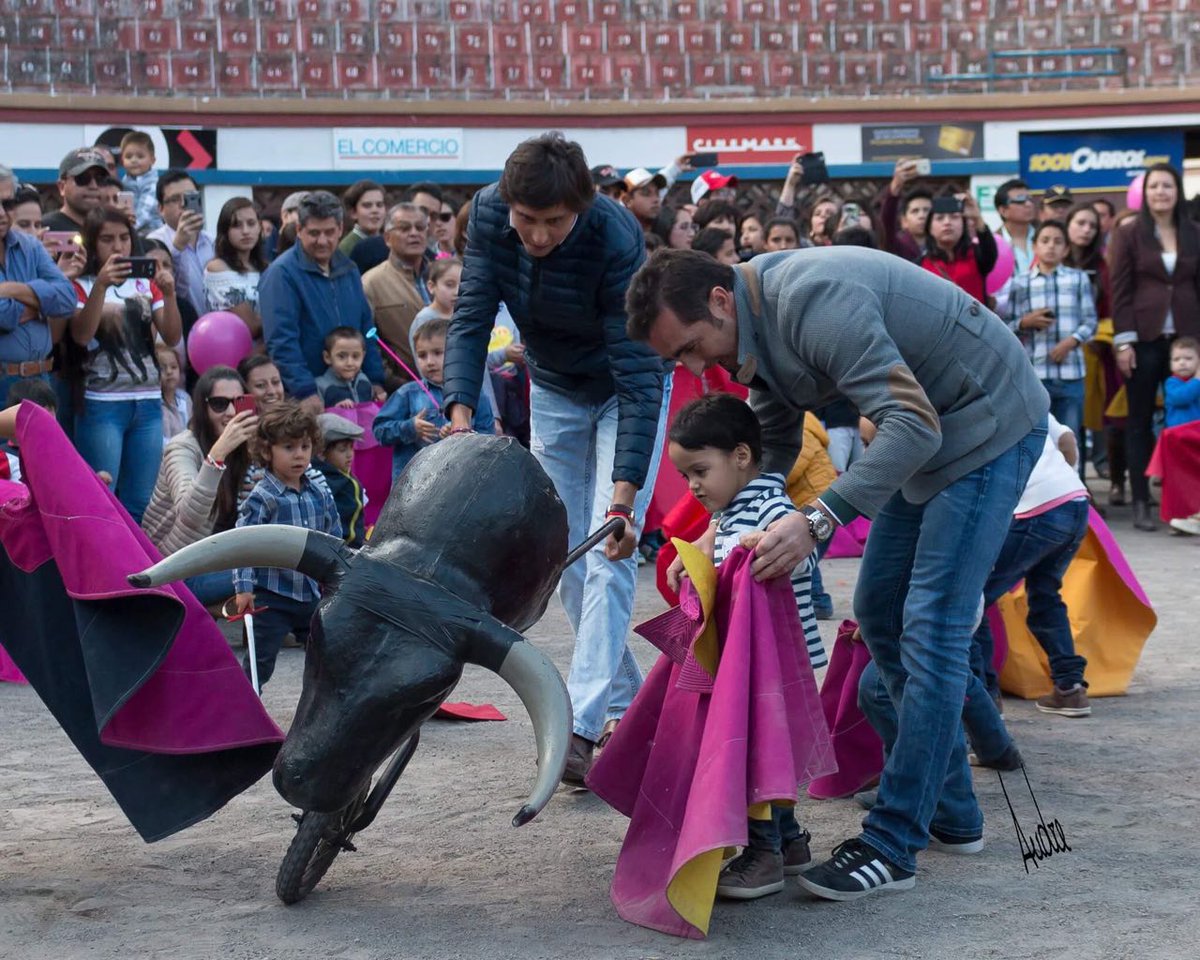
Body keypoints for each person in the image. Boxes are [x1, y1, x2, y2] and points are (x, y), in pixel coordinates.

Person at [626, 246, 1048, 901]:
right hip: (932, 440)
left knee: (930, 628)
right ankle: (954, 813)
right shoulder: (754, 318)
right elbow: (773, 439)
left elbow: (912, 425)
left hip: (987, 427)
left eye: (690, 348)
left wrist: (817, 519)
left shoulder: (814, 303)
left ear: (717, 301)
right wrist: (718, 528)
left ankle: (894, 843)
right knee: (878, 614)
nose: (693, 368)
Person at [442, 133, 669, 786]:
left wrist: (624, 500)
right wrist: (462, 414)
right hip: (554, 390)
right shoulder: (487, 213)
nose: (537, 236)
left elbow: (636, 368)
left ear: (585, 205)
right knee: (562, 555)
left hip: (627, 390)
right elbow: (472, 318)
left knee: (610, 549)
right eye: (526, 220)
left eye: (554, 222)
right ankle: (626, 696)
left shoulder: (617, 236)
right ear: (507, 203)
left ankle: (580, 723)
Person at [666, 393, 821, 899]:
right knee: (770, 755)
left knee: (755, 755)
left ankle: (764, 855)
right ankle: (791, 842)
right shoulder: (733, 510)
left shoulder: (773, 510)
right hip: (760, 664)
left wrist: (740, 552)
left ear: (741, 456)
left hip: (768, 667)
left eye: (700, 470)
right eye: (687, 474)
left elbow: (799, 561)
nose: (693, 485)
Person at [66, 206, 182, 523]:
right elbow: (80, 335)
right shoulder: (82, 284)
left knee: (140, 502)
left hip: (146, 400)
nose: (118, 247)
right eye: (107, 239)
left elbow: (172, 337)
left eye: (124, 238)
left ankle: (133, 571)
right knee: (100, 497)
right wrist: (100, 286)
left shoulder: (147, 284)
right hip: (102, 403)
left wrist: (170, 294)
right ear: (92, 244)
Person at [1108, 162, 1200, 531]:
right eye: (1153, 186)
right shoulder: (1130, 234)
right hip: (1142, 340)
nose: (1160, 192)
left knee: (1189, 424)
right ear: (1144, 194)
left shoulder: (1194, 232)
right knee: (1139, 422)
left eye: (1167, 186)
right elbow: (1120, 290)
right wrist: (1123, 340)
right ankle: (1142, 502)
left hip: (1186, 342)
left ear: (1177, 191)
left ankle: (1186, 506)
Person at [233, 401, 342, 688]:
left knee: (328, 657)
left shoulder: (318, 493)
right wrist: (244, 589)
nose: (299, 455)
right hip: (271, 596)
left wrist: (339, 581)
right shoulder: (262, 496)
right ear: (267, 451)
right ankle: (246, 713)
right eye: (289, 447)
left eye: (305, 447)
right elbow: (243, 544)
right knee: (260, 663)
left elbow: (334, 539)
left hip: (309, 593)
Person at [259, 190, 385, 410]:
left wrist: (374, 379)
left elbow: (367, 327)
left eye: (329, 232)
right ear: (299, 230)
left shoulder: (349, 269)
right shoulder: (282, 273)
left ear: (340, 230)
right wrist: (305, 390)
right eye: (314, 233)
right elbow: (281, 340)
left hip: (356, 393)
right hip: (310, 396)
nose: (322, 240)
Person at [142, 366, 259, 603]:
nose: (229, 412)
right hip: (176, 573)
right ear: (202, 408)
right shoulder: (181, 447)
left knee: (280, 567)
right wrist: (217, 455)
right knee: (265, 574)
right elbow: (190, 514)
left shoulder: (247, 448)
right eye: (218, 403)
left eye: (237, 402)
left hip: (218, 559)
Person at [1004, 220, 1097, 447]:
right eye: (1045, 241)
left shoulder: (1078, 279)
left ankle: (1075, 482)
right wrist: (1025, 322)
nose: (1051, 246)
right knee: (1038, 441)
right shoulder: (1020, 283)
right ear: (1034, 246)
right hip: (1035, 374)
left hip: (1071, 373)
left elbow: (1090, 321)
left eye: (1058, 242)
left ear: (1066, 249)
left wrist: (1072, 341)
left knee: (1070, 438)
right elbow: (1007, 328)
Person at [374, 318, 494, 480]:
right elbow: (380, 431)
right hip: (414, 486)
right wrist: (410, 428)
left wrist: (462, 432)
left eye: (438, 353)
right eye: (422, 355)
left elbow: (489, 438)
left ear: (456, 352)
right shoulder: (408, 393)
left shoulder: (474, 394)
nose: (429, 362)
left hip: (459, 481)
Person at [0, 194, 77, 407]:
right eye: (25, 224)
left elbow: (68, 299)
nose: (1, 213)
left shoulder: (30, 246)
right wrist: (42, 304)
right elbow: (4, 315)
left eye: (7, 204)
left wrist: (13, 289)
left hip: (41, 381)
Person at [362, 202, 431, 389]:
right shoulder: (371, 283)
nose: (414, 233)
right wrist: (391, 380)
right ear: (387, 238)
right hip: (404, 387)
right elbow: (366, 340)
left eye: (420, 227)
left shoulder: (446, 275)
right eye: (404, 228)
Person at [147, 170, 215, 319]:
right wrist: (177, 247)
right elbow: (163, 291)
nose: (183, 204)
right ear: (160, 209)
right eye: (175, 199)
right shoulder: (154, 244)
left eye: (190, 197)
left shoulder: (212, 241)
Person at [204, 197, 266, 342]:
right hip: (231, 352)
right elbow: (251, 326)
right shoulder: (218, 268)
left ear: (259, 227)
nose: (245, 231)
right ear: (225, 231)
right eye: (236, 225)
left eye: (251, 224)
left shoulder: (265, 268)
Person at [919, 193, 998, 303]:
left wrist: (977, 218)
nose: (947, 222)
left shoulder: (977, 254)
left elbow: (990, 251)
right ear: (929, 227)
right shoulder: (919, 265)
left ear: (963, 224)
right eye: (939, 218)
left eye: (954, 217)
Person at [312, 411, 368, 548]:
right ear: (321, 453)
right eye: (342, 450)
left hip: (354, 548)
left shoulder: (345, 476)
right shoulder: (321, 481)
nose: (349, 455)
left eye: (351, 448)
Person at [993, 179, 1037, 316]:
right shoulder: (993, 245)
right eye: (1020, 200)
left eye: (1030, 199)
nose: (1028, 204)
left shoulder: (1046, 238)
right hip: (1007, 319)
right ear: (1003, 210)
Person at [44, 148, 109, 233]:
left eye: (100, 179)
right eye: (83, 178)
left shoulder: (116, 229)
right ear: (62, 187)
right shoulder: (45, 229)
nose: (94, 186)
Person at [879, 160, 932, 262]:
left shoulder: (944, 246)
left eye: (927, 210)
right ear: (904, 221)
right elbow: (886, 222)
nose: (922, 215)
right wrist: (896, 186)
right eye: (915, 211)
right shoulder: (897, 246)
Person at [315, 326, 373, 408]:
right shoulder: (321, 385)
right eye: (341, 356)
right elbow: (316, 417)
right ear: (327, 357)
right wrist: (337, 410)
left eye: (355, 356)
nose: (349, 363)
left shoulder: (364, 380)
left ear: (363, 356)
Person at [118, 130, 162, 233]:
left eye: (140, 156)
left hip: (151, 232)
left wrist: (128, 229)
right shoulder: (124, 181)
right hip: (131, 232)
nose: (134, 160)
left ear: (152, 160)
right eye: (128, 157)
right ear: (122, 160)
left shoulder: (153, 183)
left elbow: (146, 212)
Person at [338, 179, 387, 256]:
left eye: (379, 205)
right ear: (353, 212)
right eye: (367, 205)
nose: (375, 210)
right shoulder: (346, 248)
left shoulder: (390, 243)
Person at [157, 341, 190, 441]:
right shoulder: (155, 404)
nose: (169, 372)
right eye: (162, 368)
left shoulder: (185, 399)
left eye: (174, 367)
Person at [1165, 336, 1200, 427]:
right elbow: (1180, 398)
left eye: (1188, 358)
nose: (1182, 363)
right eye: (1176, 359)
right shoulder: (1172, 382)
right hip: (1179, 433)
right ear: (1171, 364)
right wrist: (1197, 380)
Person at [621, 168, 666, 233]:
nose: (656, 199)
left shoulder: (667, 234)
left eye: (657, 193)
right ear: (627, 201)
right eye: (646, 193)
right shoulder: (618, 236)